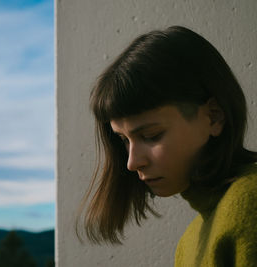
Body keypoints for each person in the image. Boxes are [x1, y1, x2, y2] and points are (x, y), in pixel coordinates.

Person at [78, 25, 257, 266]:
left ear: (214, 116)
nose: (132, 162)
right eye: (124, 141)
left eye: (151, 135)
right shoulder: (189, 240)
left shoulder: (249, 202)